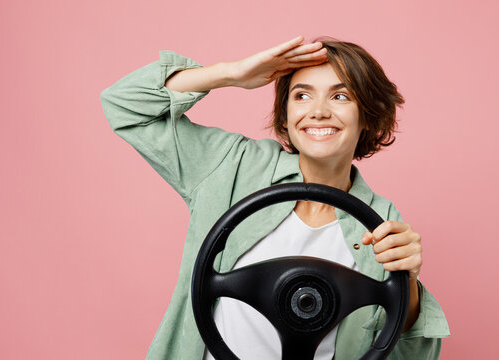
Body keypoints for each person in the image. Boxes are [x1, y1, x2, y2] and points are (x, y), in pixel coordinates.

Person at [100, 35, 450, 359]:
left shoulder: (382, 221)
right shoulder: (234, 165)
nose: (318, 111)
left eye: (340, 96)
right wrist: (230, 74)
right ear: (285, 114)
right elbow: (124, 105)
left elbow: (409, 354)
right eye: (302, 95)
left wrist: (409, 281)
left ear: (369, 118)